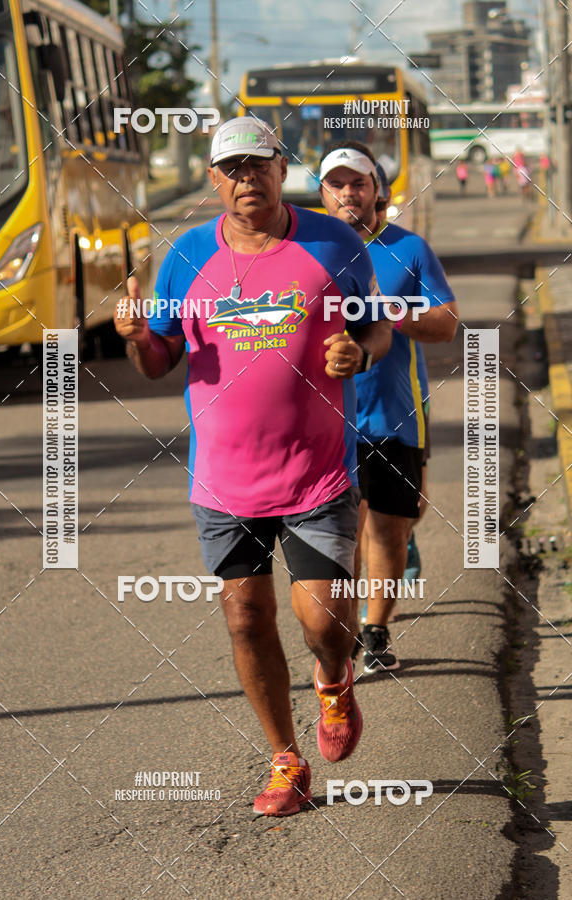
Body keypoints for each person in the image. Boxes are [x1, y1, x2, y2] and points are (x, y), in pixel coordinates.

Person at [114, 117, 392, 816]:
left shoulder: (333, 242)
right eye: (232, 168)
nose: (247, 178)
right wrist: (135, 336)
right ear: (214, 179)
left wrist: (360, 354)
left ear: (281, 167)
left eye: (259, 164)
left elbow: (377, 326)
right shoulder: (184, 256)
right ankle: (286, 762)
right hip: (223, 478)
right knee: (244, 617)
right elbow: (159, 361)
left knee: (323, 620)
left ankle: (334, 679)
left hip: (315, 469)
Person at [319, 140, 459, 673]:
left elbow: (446, 324)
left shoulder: (410, 249)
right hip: (328, 416)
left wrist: (393, 311)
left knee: (392, 524)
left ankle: (375, 630)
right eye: (337, 184)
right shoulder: (306, 249)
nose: (348, 193)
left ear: (379, 190)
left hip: (396, 409)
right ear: (323, 194)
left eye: (359, 183)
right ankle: (347, 624)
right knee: (342, 530)